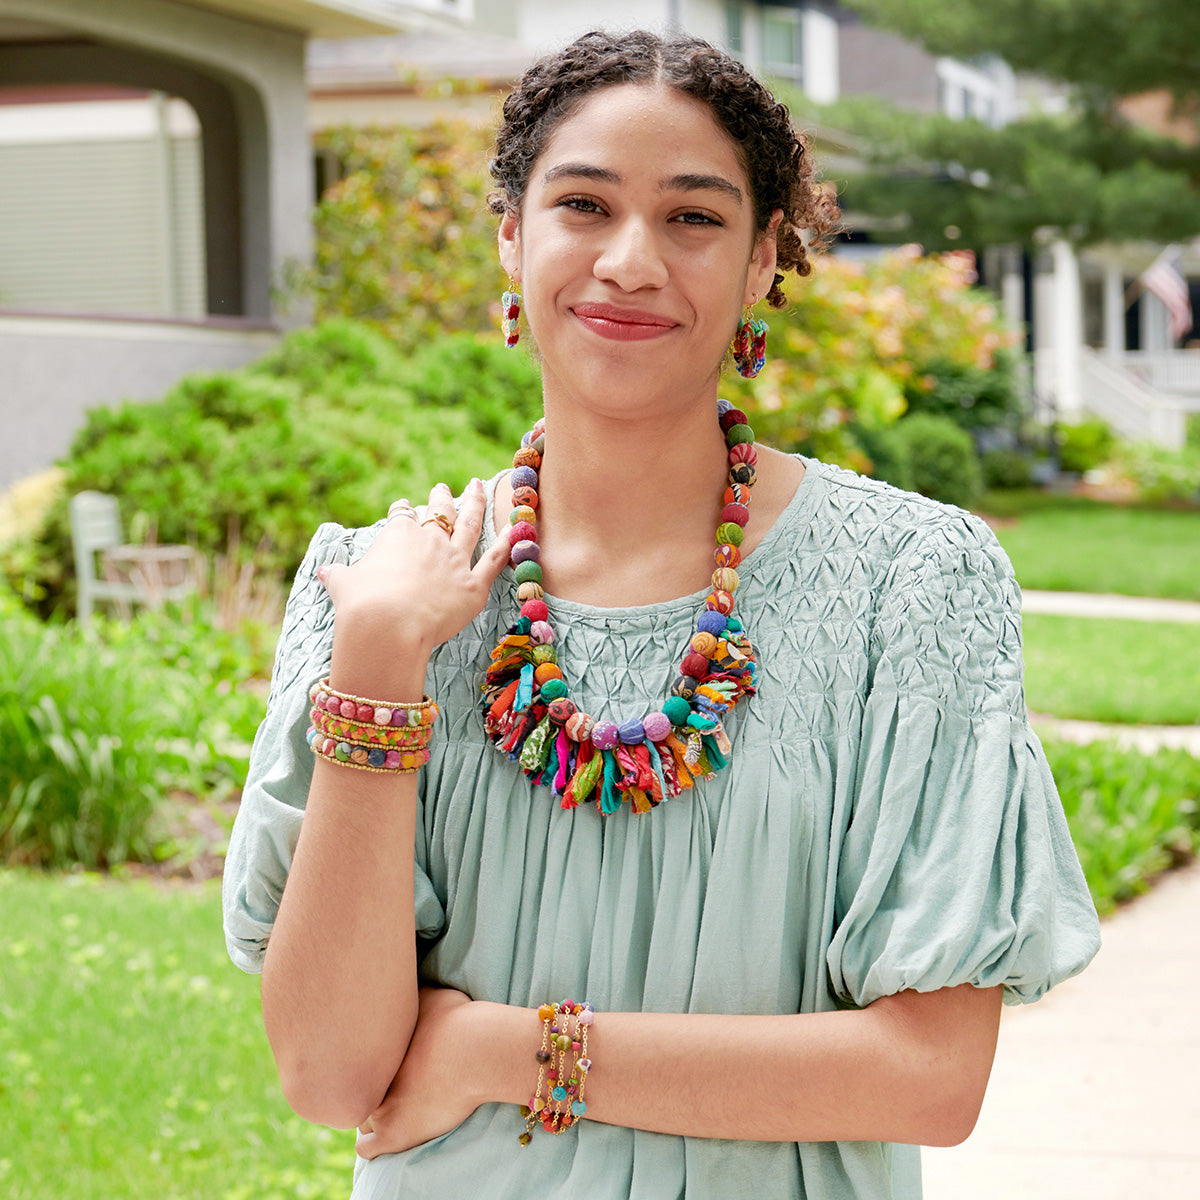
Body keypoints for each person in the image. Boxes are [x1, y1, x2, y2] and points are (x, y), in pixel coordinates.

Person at [223, 28, 1100, 1200]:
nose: (631, 261)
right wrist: (379, 665)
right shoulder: (374, 593)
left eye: (694, 218)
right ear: (511, 239)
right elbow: (335, 1077)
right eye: (583, 204)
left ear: (759, 263)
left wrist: (508, 1049)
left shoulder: (913, 581)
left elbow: (927, 1075)